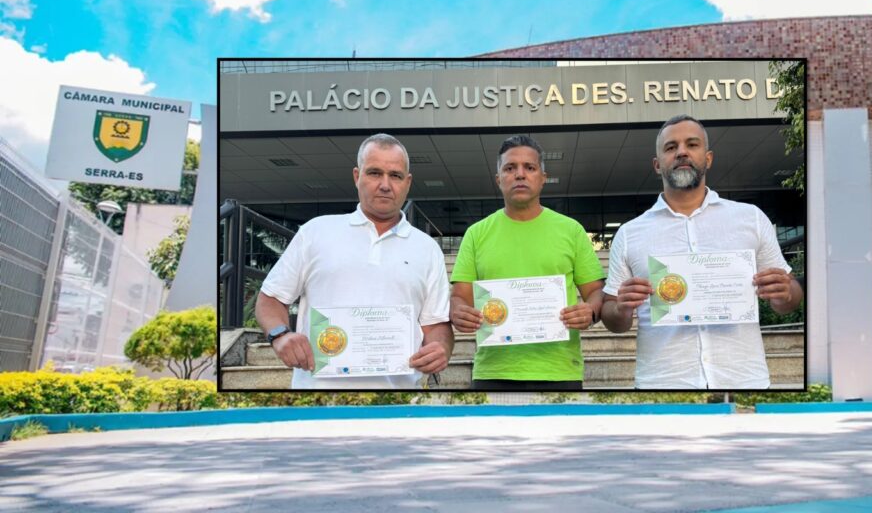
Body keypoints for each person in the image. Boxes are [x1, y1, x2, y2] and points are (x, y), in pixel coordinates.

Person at [600, 115, 803, 389]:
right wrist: (621, 308)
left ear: (708, 158)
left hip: (743, 379)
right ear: (657, 165)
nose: (682, 152)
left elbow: (788, 300)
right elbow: (614, 320)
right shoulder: (629, 234)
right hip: (662, 383)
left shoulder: (750, 218)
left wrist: (785, 293)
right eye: (671, 147)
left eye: (691, 144)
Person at [255, 133, 453, 389]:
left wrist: (442, 349)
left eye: (395, 175)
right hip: (316, 396)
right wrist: (280, 335)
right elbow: (270, 299)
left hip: (398, 399)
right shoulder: (315, 232)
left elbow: (436, 323)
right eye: (374, 173)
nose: (385, 184)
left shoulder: (427, 248)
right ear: (357, 176)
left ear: (408, 182)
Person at [449, 135, 606, 390]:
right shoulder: (476, 234)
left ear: (543, 178)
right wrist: (458, 312)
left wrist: (591, 310)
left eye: (529, 168)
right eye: (510, 168)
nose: (520, 175)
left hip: (559, 371)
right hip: (493, 372)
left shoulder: (571, 230)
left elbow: (597, 293)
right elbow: (460, 297)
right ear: (498, 179)